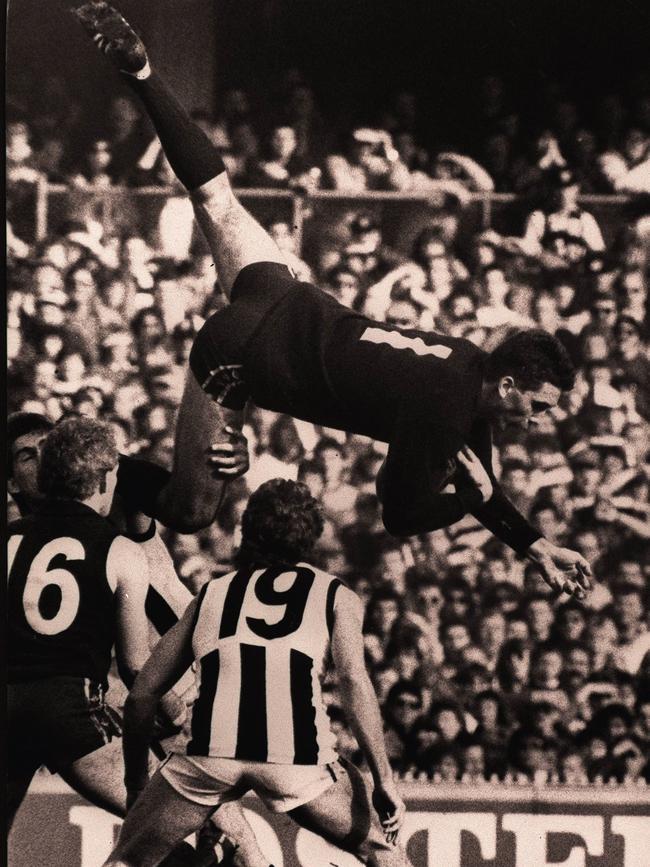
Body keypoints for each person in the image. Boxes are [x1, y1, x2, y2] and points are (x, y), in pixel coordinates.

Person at [74, 2, 592, 599]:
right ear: (509, 387)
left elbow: (480, 477)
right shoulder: (447, 410)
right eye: (540, 404)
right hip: (239, 354)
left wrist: (533, 545)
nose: (540, 419)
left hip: (283, 292)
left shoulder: (467, 367)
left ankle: (141, 73)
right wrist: (459, 508)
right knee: (190, 511)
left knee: (215, 196)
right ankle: (89, 475)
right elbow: (399, 515)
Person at [100, 479, 410, 867]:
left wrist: (136, 785)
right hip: (297, 761)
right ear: (312, 536)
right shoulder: (335, 594)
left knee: (125, 861)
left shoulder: (213, 593)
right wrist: (384, 780)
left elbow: (143, 694)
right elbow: (353, 682)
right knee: (383, 851)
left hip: (209, 756)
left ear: (247, 532)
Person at [7, 412, 266, 866]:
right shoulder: (35, 522)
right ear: (10, 481)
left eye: (51, 447)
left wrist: (221, 464)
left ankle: (252, 857)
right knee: (165, 824)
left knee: (198, 814)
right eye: (30, 455)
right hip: (95, 683)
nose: (48, 458)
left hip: (175, 662)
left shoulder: (105, 475)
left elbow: (191, 508)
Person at [7, 418, 151, 829]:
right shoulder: (118, 548)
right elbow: (135, 666)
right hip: (70, 707)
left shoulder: (9, 539)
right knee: (169, 813)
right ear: (104, 482)